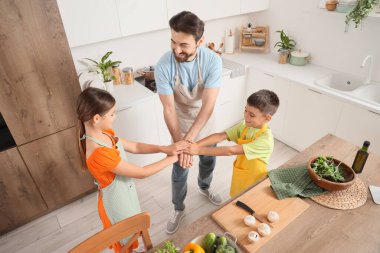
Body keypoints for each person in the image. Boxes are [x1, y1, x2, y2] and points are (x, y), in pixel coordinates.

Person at [76, 87, 188, 252]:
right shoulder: (99, 153)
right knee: (126, 242)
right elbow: (141, 173)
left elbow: (134, 146)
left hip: (125, 195)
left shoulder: (104, 133)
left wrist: (166, 148)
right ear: (97, 118)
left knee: (135, 234)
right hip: (117, 204)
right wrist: (172, 158)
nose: (115, 116)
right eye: (112, 114)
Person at [154, 11, 223, 234]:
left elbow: (208, 105)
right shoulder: (164, 65)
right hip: (180, 122)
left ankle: (204, 186)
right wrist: (180, 145)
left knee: (207, 160)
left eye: (183, 45)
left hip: (206, 121)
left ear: (200, 42)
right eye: (173, 42)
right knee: (180, 168)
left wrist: (191, 139)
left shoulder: (213, 61)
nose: (176, 49)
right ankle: (178, 207)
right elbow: (168, 108)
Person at [186, 89, 280, 197]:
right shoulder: (245, 125)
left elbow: (230, 151)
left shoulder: (265, 141)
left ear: (267, 118)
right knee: (236, 197)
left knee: (248, 201)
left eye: (252, 115)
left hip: (254, 179)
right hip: (241, 173)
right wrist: (196, 145)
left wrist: (198, 150)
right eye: (245, 110)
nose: (246, 116)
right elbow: (220, 136)